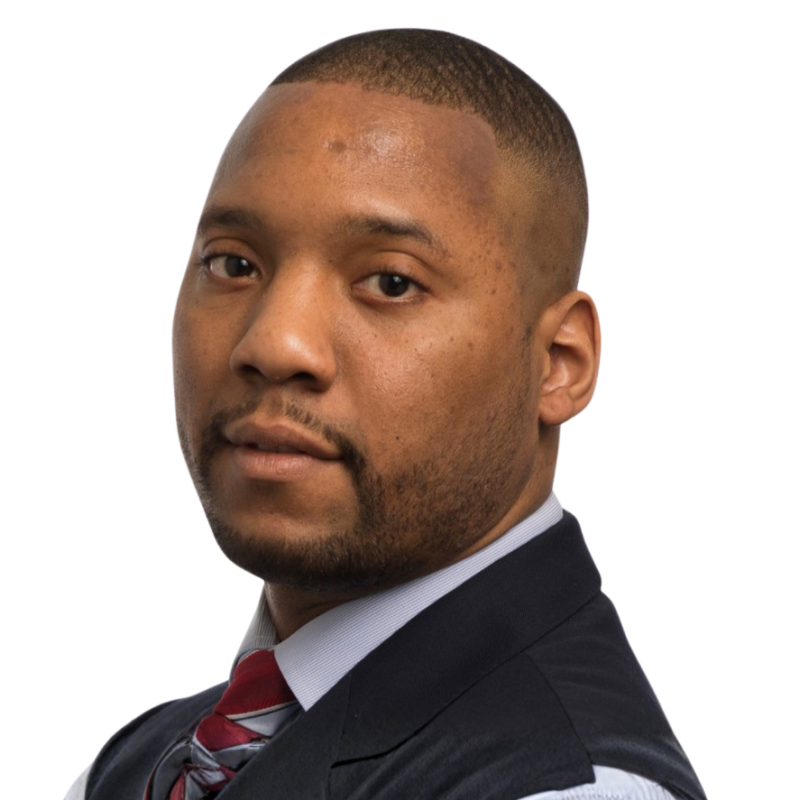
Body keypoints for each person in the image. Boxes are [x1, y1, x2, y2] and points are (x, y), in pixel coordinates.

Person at [66, 28, 705, 800]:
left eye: (391, 282)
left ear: (559, 362)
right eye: (235, 264)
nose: (274, 343)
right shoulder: (130, 764)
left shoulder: (567, 788)